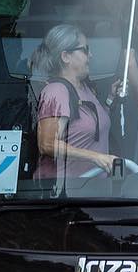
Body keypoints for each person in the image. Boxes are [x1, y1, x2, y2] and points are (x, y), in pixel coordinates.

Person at [34, 24, 114, 181]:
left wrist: (111, 99)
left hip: (90, 189)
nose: (90, 55)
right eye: (85, 50)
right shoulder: (56, 91)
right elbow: (47, 144)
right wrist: (95, 157)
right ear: (65, 57)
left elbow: (96, 124)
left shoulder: (84, 88)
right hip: (65, 193)